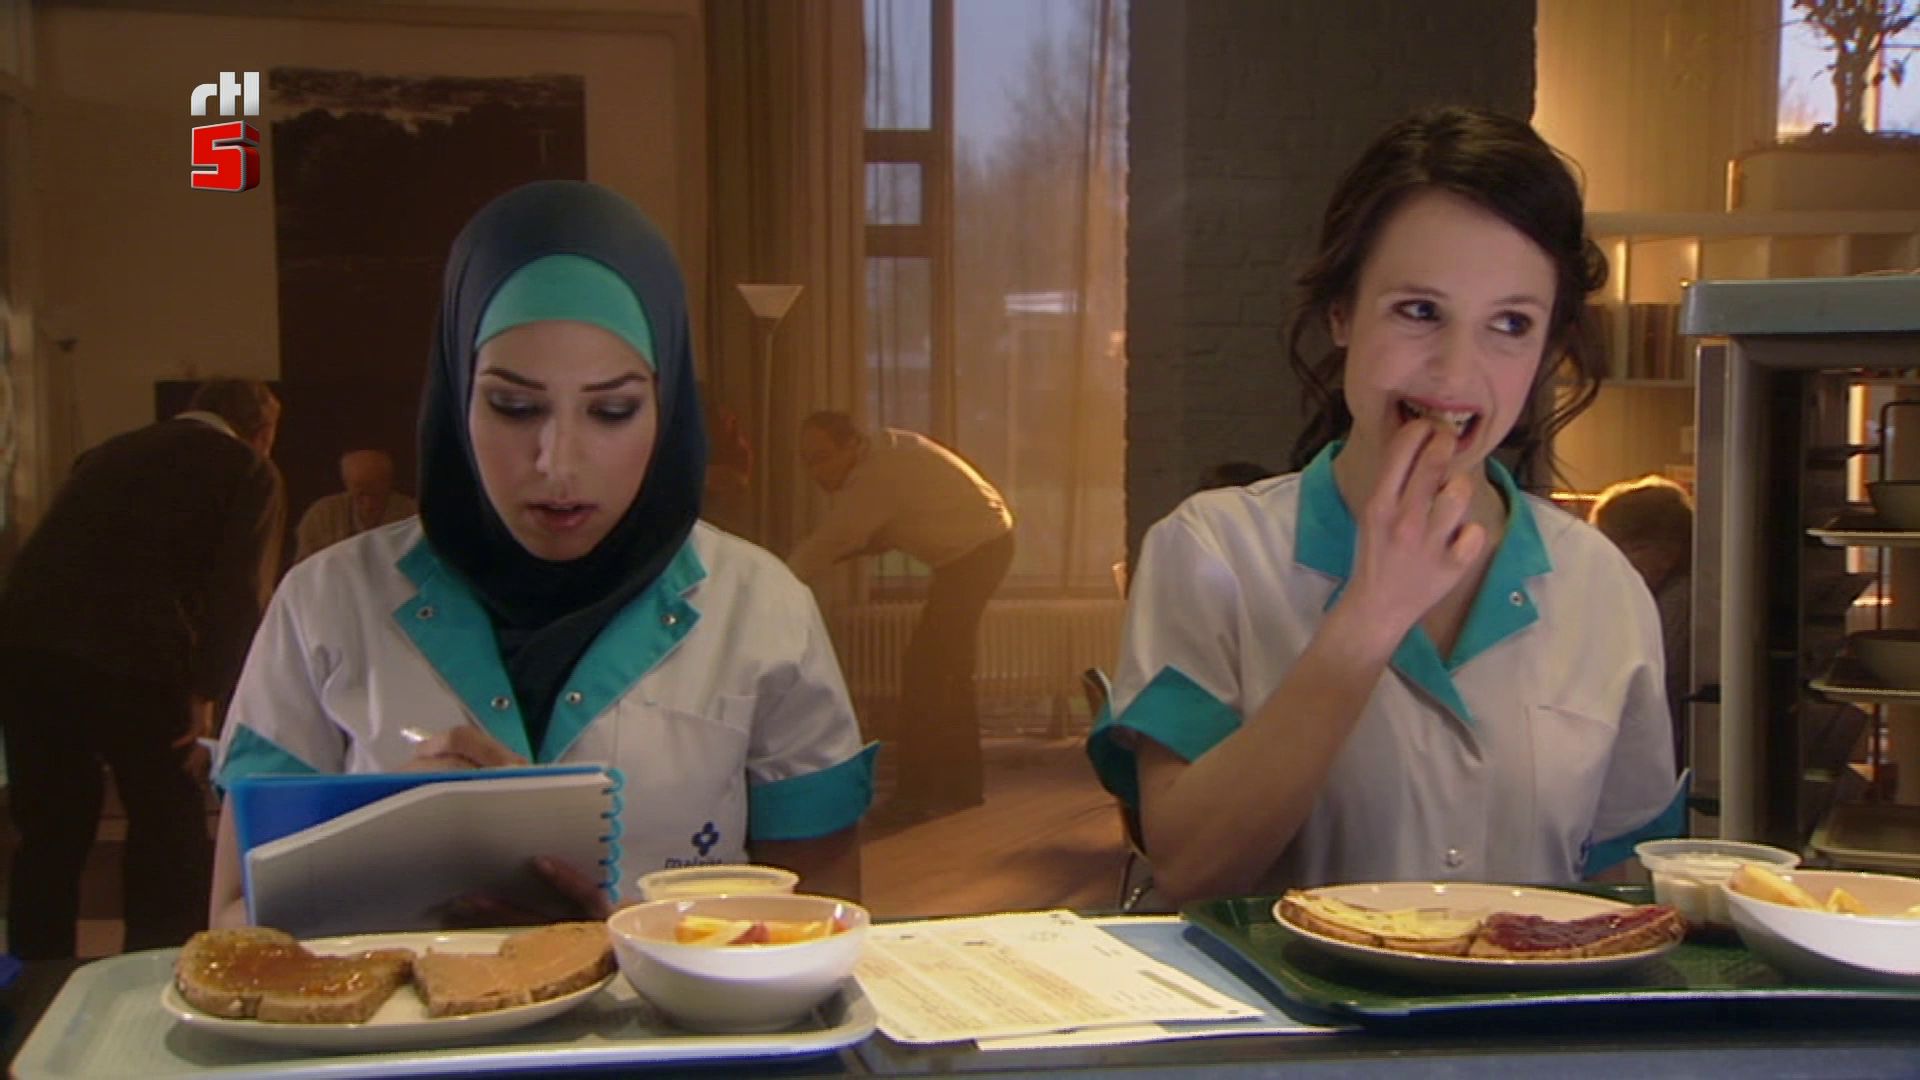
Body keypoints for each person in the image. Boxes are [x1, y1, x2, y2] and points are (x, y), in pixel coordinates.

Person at [210, 181, 873, 929]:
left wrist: (622, 937)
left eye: (612, 410)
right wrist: (389, 852)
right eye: (515, 406)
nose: (557, 462)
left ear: (666, 408)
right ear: (457, 395)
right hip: (395, 1015)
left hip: (665, 1015)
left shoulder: (762, 609)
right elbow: (231, 922)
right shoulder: (325, 604)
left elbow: (825, 929)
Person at [1087, 106, 1680, 904]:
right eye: (1420, 311)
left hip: (1523, 992)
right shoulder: (1212, 549)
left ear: (1548, 347)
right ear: (1342, 313)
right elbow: (1191, 866)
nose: (1456, 372)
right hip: (1279, 993)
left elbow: (1626, 891)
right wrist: (1370, 614)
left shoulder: (1601, 586)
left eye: (1511, 323)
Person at [0, 378, 283, 958]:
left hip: (27, 644)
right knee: (166, 819)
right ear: (262, 432)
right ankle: (153, 964)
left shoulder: (107, 452)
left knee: (51, 827)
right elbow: (239, 593)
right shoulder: (246, 468)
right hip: (138, 651)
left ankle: (34, 976)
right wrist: (210, 694)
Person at [788, 414, 1014, 822]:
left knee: (925, 673)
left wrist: (775, 580)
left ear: (852, 446)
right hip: (982, 547)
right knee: (949, 672)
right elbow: (867, 533)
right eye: (807, 461)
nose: (815, 472)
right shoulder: (883, 456)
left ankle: (916, 796)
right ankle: (961, 786)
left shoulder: (875, 478)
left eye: (822, 458)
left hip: (976, 553)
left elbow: (834, 539)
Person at [1590, 474, 1693, 763]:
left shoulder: (1677, 606)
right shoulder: (1668, 597)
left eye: (1618, 553)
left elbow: (1653, 693)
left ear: (1664, 553)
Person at [292, 449, 418, 563]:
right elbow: (304, 568)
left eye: (376, 494)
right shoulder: (321, 516)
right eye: (360, 494)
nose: (368, 504)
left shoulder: (413, 514)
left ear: (389, 483)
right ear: (347, 484)